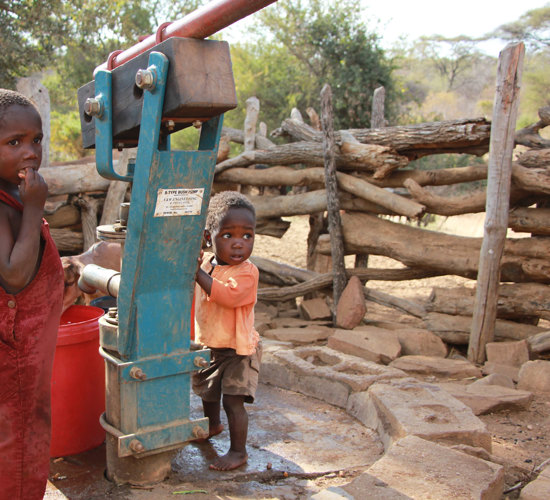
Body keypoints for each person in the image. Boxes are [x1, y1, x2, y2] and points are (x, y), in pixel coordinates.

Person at [0, 89, 64, 500]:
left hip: (28, 351)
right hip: (16, 354)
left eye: (36, 140)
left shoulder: (11, 193)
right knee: (20, 438)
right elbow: (14, 275)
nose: (30, 152)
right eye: (14, 143)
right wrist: (35, 208)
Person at [192, 191, 261, 471]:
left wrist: (196, 272)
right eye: (228, 235)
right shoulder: (208, 264)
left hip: (238, 350)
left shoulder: (247, 272)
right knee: (208, 393)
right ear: (209, 238)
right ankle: (212, 426)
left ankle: (237, 451)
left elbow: (227, 296)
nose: (238, 245)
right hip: (209, 344)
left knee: (233, 402)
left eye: (247, 236)